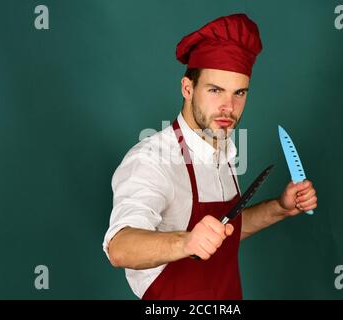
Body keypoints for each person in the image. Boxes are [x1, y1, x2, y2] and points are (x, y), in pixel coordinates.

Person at [103, 13, 317, 300]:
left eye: (239, 93)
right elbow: (120, 247)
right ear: (187, 88)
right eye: (215, 90)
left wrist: (280, 207)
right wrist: (187, 242)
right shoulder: (153, 158)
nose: (228, 107)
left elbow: (224, 234)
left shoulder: (223, 150)